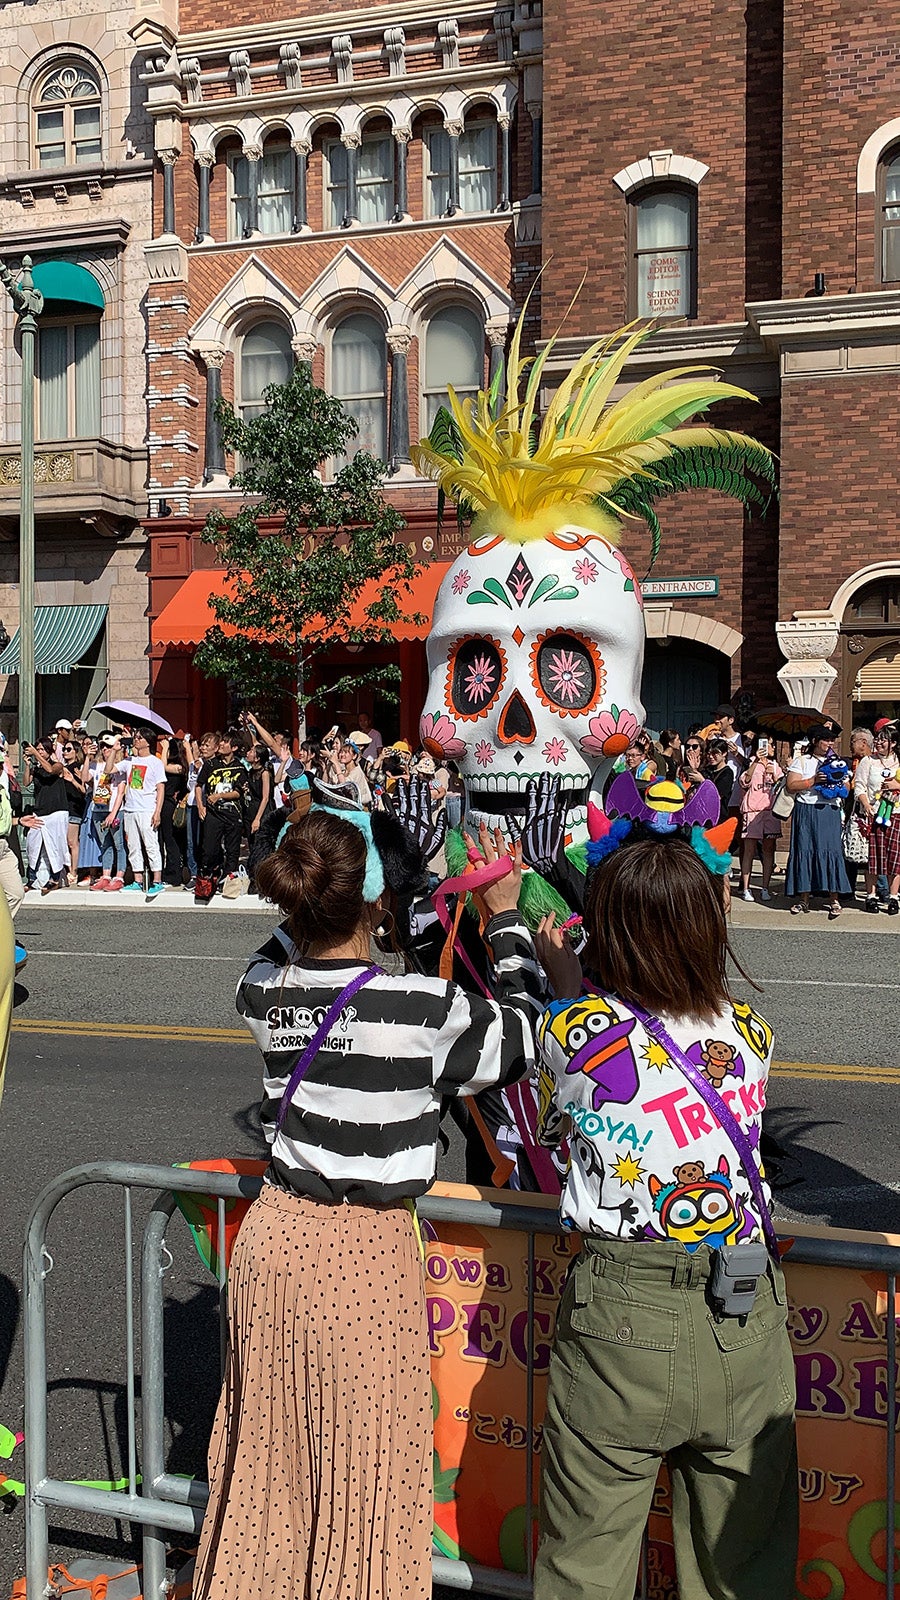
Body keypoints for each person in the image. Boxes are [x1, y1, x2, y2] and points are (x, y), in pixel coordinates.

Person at [192, 809, 543, 1600]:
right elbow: (526, 1034)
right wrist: (508, 916)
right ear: (380, 905)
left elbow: (266, 955)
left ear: (296, 902)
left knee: (269, 1458)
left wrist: (305, 916)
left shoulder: (267, 995)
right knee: (365, 1469)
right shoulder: (420, 1008)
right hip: (364, 1255)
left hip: (276, 1243)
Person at [531, 837, 797, 1600]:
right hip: (744, 1305)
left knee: (587, 1557)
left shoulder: (572, 1030)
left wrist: (563, 985)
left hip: (622, 1307)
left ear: (605, 929)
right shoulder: (750, 1036)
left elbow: (555, 1127)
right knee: (741, 1564)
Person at [785, 724, 851, 917]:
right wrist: (813, 781)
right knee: (805, 850)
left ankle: (834, 899)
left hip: (829, 809)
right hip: (807, 809)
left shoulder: (836, 761)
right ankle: (804, 898)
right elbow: (791, 785)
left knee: (832, 851)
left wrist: (837, 784)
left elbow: (847, 785)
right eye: (826, 739)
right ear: (815, 741)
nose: (830, 743)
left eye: (831, 740)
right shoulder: (802, 761)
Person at [107, 730, 166, 898]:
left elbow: (161, 788)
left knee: (151, 845)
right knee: (133, 846)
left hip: (147, 808)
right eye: (136, 737)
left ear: (148, 742)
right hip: (130, 809)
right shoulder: (129, 761)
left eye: (139, 737)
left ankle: (157, 881)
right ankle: (137, 879)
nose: (136, 739)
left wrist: (158, 812)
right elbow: (109, 769)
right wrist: (114, 750)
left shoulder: (155, 762)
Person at [854, 722, 900, 915]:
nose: (879, 742)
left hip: (896, 814)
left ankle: (893, 897)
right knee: (873, 858)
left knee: (895, 858)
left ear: (894, 743)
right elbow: (859, 786)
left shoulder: (899, 761)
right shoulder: (868, 761)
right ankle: (871, 896)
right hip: (874, 814)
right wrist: (866, 805)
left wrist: (896, 785)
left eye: (884, 739)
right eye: (878, 738)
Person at [196, 727, 248, 890]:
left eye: (226, 742)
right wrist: (200, 805)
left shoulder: (240, 768)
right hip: (213, 814)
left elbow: (237, 793)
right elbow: (199, 785)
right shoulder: (211, 764)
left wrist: (219, 796)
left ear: (234, 748)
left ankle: (228, 881)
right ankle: (209, 878)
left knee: (233, 851)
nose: (222, 744)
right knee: (209, 849)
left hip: (233, 815)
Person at [22, 737, 70, 893]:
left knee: (55, 845)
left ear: (49, 751)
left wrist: (36, 753)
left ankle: (55, 878)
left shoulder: (58, 765)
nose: (39, 751)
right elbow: (26, 782)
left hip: (56, 810)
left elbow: (50, 770)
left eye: (42, 749)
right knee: (32, 844)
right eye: (38, 748)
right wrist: (28, 764)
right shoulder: (37, 768)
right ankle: (32, 878)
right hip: (40, 811)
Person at [738, 736, 782, 901]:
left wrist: (775, 776)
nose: (771, 747)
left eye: (772, 744)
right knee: (749, 850)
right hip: (752, 810)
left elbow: (781, 786)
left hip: (770, 811)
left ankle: (765, 887)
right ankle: (746, 888)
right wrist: (757, 760)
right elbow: (744, 781)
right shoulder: (751, 762)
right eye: (768, 744)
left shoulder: (775, 765)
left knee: (769, 850)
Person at [158, 734, 189, 886]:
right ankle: (165, 871)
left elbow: (163, 767)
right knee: (162, 839)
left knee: (170, 840)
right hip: (163, 803)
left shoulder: (179, 767)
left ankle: (174, 874)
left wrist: (165, 748)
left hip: (170, 803)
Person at [244, 742, 274, 890]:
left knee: (261, 848)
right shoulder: (250, 772)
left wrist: (257, 818)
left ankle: (262, 881)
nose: (248, 753)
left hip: (262, 812)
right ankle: (253, 877)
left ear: (257, 758)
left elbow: (265, 797)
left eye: (252, 751)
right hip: (250, 811)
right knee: (252, 845)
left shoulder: (265, 773)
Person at [60, 736, 87, 884]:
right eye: (64, 749)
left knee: (72, 842)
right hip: (64, 807)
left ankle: (74, 871)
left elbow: (84, 790)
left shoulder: (79, 767)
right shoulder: (63, 767)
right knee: (64, 841)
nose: (65, 751)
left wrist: (73, 780)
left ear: (76, 752)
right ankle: (68, 869)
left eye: (69, 749)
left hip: (75, 807)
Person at [702, 737, 734, 812]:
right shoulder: (706, 770)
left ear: (724, 753)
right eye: (709, 754)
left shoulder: (727, 773)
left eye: (714, 754)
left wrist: (702, 780)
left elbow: (717, 796)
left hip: (718, 815)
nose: (710, 757)